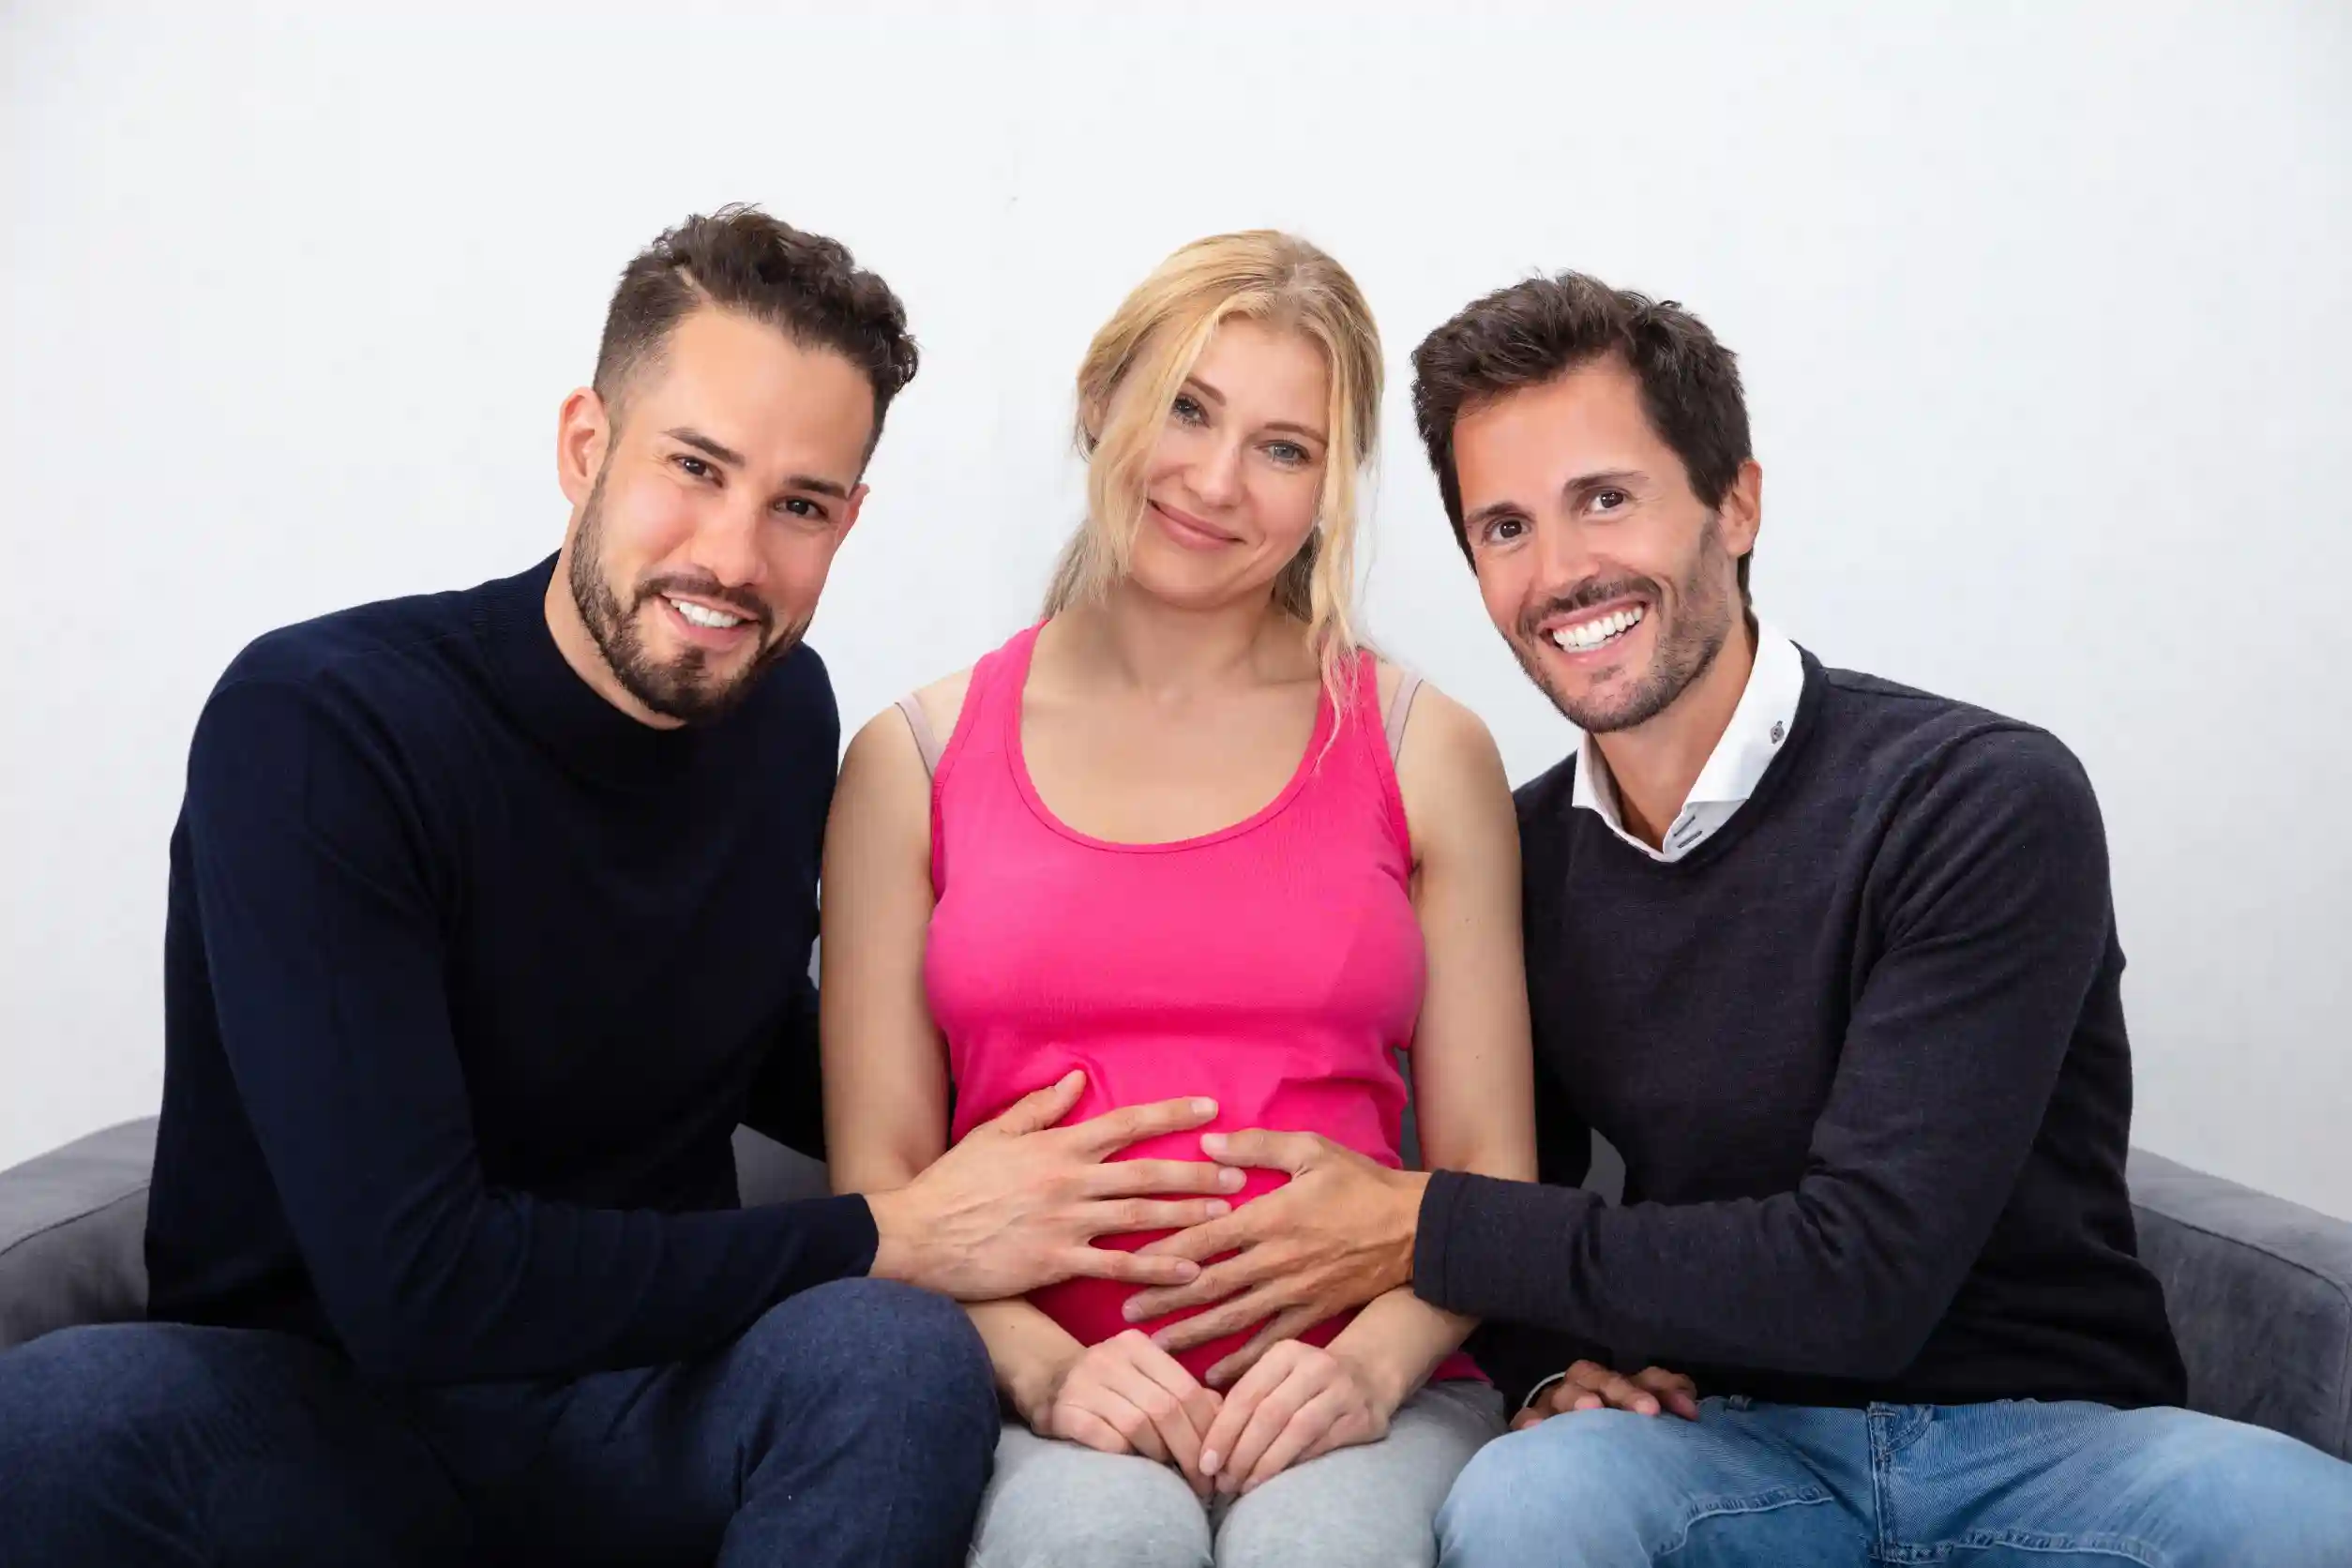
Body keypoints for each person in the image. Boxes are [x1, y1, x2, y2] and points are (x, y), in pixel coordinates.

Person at [0, 205, 1241, 1568]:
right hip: (318, 1421)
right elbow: (415, 1287)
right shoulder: (321, 731)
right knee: (63, 1413)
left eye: (799, 506)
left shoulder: (782, 717)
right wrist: (891, 1229)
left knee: (885, 1354)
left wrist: (1083, 1131)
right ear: (584, 445)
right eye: (694, 469)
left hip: (641, 1401)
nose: (732, 555)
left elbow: (753, 1023)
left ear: (849, 520)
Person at [1111, 271, 2352, 1565]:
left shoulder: (1977, 800)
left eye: (1604, 500)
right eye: (1505, 528)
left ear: (1736, 504)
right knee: (1530, 1500)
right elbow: (1519, 1174)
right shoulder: (1522, 853)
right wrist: (1543, 1372)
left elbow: (1862, 1274)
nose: (1561, 571)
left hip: (2052, 1444)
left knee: (2312, 1525)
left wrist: (1418, 1221)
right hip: (1724, 1441)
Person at [820, 230, 1538, 1568]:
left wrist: (1369, 1370)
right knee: (1089, 1547)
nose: (1216, 481)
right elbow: (879, 1185)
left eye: (1285, 446)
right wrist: (1042, 1371)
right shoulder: (907, 761)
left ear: (1331, 488)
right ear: (1102, 402)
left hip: (1368, 1396)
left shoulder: (1423, 748)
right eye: (1186, 410)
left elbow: (1494, 1173)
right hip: (1043, 1397)